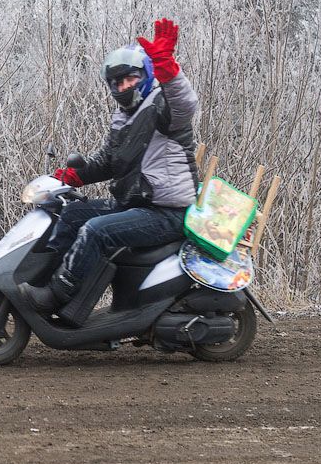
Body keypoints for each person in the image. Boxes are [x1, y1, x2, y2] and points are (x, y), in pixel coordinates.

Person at [22, 18, 200, 325]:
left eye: (129, 79)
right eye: (116, 83)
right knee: (70, 214)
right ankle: (46, 283)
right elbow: (108, 161)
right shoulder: (124, 116)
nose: (122, 87)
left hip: (167, 211)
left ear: (144, 76)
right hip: (136, 204)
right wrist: (72, 175)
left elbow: (186, 103)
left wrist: (167, 67)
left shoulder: (162, 105)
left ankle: (60, 294)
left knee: (96, 230)